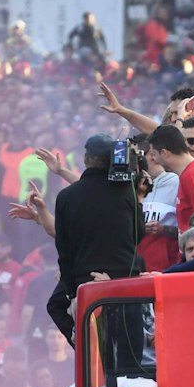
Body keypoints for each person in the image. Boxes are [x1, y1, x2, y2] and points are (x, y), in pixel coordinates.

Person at [49, 134, 141, 341]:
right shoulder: (126, 191)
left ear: (85, 159)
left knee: (92, 345)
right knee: (127, 344)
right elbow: (138, 234)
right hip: (125, 279)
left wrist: (72, 290)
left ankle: (79, 341)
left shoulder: (66, 197)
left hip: (85, 281)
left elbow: (63, 249)